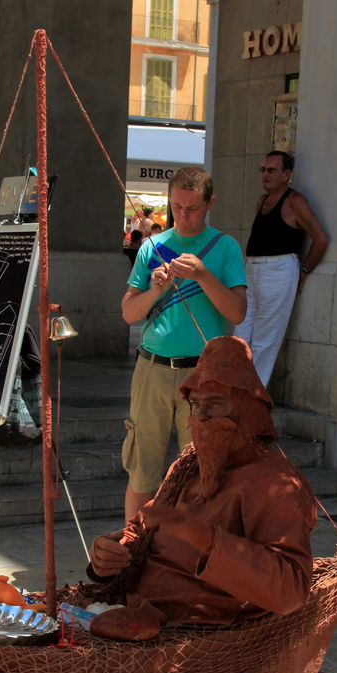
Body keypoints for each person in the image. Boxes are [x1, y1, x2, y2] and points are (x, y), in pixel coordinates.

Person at [88, 335, 316, 638]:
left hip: (202, 632)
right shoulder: (186, 468)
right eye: (195, 405)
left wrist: (208, 541)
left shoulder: (275, 482)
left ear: (246, 410)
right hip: (139, 612)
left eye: (215, 404)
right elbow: (140, 529)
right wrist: (109, 554)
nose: (202, 417)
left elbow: (291, 590)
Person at [121, 166, 247, 521]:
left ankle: (187, 558)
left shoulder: (224, 248)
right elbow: (129, 313)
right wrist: (154, 290)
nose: (184, 215)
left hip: (202, 376)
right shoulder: (152, 247)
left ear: (210, 204)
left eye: (192, 208)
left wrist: (203, 274)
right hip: (153, 370)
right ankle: (131, 554)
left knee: (200, 473)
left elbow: (237, 312)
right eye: (177, 206)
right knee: (141, 470)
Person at [233, 150, 329, 387]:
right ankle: (235, 392)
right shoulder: (261, 201)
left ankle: (252, 399)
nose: (265, 175)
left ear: (286, 174)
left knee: (265, 341)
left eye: (271, 170)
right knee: (239, 336)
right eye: (263, 170)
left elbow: (321, 238)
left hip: (278, 270)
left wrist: (304, 270)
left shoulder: (295, 201)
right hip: (253, 270)